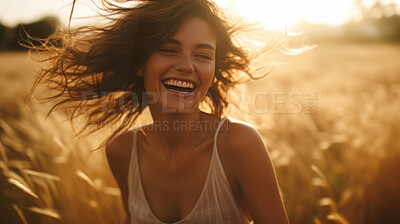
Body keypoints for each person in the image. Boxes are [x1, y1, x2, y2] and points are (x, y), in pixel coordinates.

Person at [29, 0, 290, 223]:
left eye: (202, 55)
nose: (186, 66)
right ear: (140, 64)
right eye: (168, 50)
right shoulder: (122, 151)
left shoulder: (240, 145)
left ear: (212, 69)